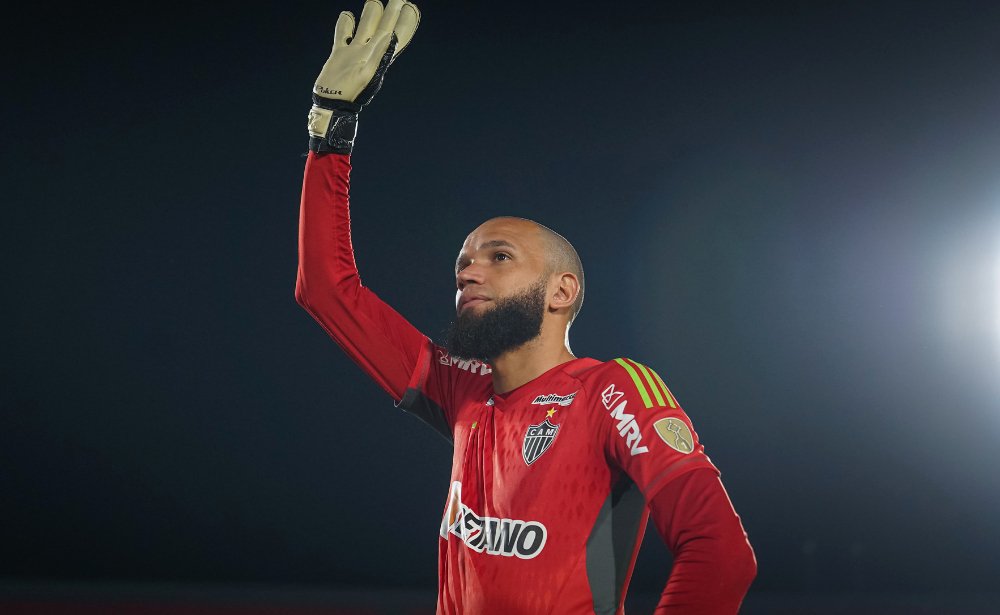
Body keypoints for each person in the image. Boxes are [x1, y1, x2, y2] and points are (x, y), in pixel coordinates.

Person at [295, 1, 756, 613]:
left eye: (499, 256)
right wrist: (331, 129)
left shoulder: (611, 391)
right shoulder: (459, 388)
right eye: (464, 261)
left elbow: (721, 552)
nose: (468, 270)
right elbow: (327, 290)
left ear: (562, 292)